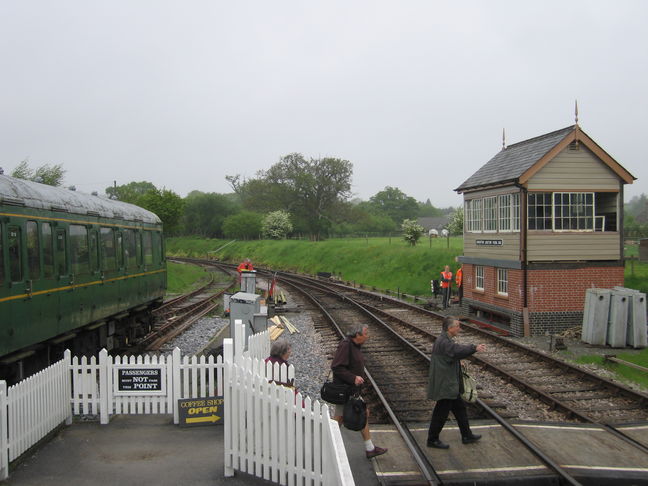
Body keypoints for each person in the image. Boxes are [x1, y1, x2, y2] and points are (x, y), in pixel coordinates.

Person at [426, 317, 486, 449]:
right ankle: (432, 439)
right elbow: (457, 350)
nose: (459, 328)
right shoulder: (444, 342)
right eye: (457, 326)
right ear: (450, 328)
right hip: (446, 384)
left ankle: (467, 435)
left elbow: (451, 355)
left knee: (460, 409)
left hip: (449, 382)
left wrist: (457, 361)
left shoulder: (444, 340)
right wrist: (474, 347)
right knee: (441, 413)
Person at [329, 324, 388, 459]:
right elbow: (336, 367)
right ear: (357, 335)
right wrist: (353, 377)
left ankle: (370, 448)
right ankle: (327, 446)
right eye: (365, 334)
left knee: (362, 413)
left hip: (352, 390)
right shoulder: (346, 345)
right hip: (344, 391)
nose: (367, 336)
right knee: (339, 419)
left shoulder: (354, 346)